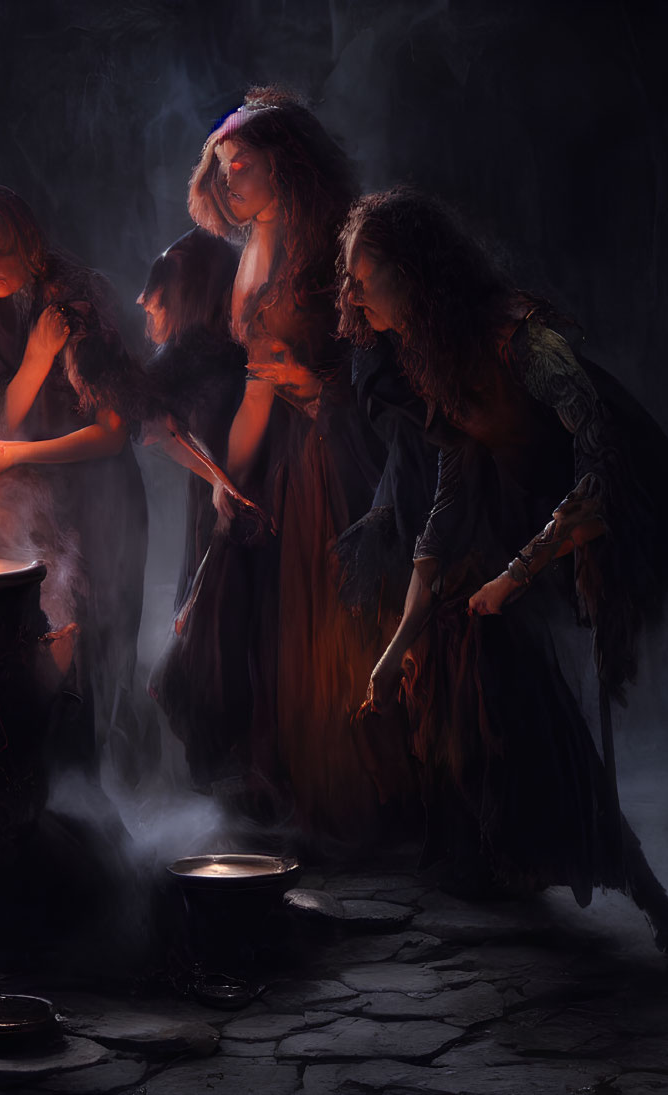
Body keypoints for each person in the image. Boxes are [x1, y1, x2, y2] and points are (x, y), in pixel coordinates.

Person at [343, 188, 668, 964]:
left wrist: (517, 573)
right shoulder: (427, 351)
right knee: (475, 675)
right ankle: (513, 850)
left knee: (526, 701)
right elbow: (446, 500)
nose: (351, 293)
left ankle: (652, 902)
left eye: (364, 275)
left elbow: (598, 460)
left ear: (413, 274)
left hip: (591, 521)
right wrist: (395, 644)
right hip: (508, 523)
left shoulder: (522, 340)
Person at [184, 88, 407, 839]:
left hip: (335, 455)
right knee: (283, 633)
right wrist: (226, 482)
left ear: (284, 165)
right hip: (284, 457)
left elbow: (382, 358)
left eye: (240, 165)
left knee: (338, 626)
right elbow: (255, 383)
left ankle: (372, 799)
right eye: (219, 169)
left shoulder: (328, 249)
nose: (228, 182)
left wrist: (317, 392)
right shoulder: (250, 247)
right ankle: (308, 796)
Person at [0, 184, 149, 773]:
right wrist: (33, 361)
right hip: (38, 501)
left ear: (25, 238)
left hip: (100, 500)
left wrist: (13, 456)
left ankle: (101, 813)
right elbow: (2, 418)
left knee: (95, 652)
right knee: (44, 651)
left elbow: (111, 432)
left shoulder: (71, 299)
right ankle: (50, 804)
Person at [136, 228, 258, 787]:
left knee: (227, 638)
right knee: (218, 639)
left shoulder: (210, 351)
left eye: (161, 290)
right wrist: (214, 477)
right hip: (227, 500)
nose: (149, 302)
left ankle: (232, 784)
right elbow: (155, 431)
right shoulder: (195, 353)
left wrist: (217, 480)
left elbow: (155, 428)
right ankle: (224, 786)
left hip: (242, 501)